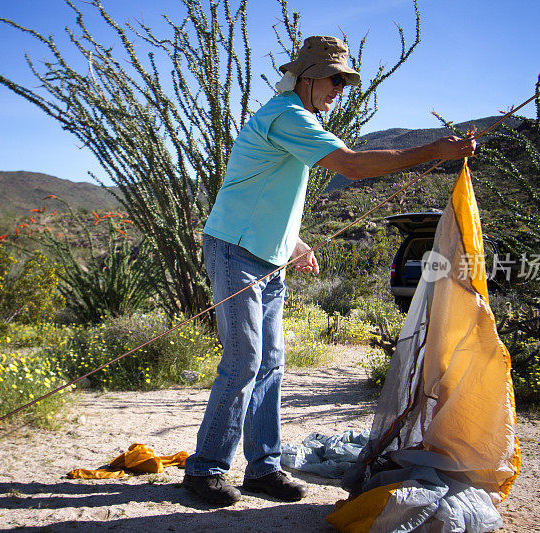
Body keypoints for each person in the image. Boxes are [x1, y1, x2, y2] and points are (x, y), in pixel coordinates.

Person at [183, 35, 476, 506]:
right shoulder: (287, 115)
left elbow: (264, 191)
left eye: (345, 80)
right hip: (234, 251)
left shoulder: (298, 121)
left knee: (270, 364)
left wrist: (294, 244)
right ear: (308, 76)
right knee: (245, 361)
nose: (341, 88)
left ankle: (263, 470)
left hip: (266, 255)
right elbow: (353, 166)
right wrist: (434, 151)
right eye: (335, 78)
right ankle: (205, 471)